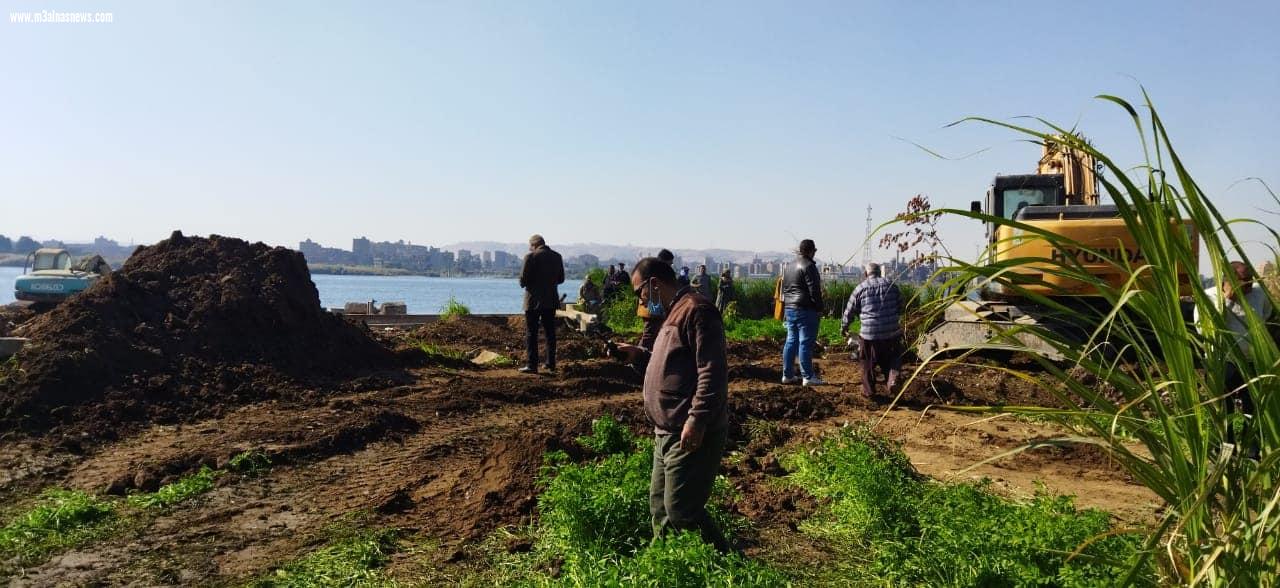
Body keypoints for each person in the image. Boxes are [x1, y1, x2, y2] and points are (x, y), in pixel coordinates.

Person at [614, 258, 730, 552]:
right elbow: (664, 361)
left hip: (686, 430)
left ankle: (732, 567)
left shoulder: (697, 310)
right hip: (665, 431)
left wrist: (697, 419)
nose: (640, 299)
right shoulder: (669, 314)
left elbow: (711, 371)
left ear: (654, 285)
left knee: (681, 511)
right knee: (660, 509)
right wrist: (636, 355)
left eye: (639, 291)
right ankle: (664, 568)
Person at [1194, 261, 1273, 455]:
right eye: (1244, 281)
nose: (1249, 285)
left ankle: (1252, 454)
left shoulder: (1259, 295)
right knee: (1222, 412)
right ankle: (1223, 453)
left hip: (1251, 363)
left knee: (1253, 410)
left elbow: (1267, 316)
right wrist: (1227, 300)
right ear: (1228, 280)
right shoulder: (1209, 297)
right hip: (1222, 364)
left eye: (1251, 280)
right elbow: (1203, 328)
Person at [841, 263, 903, 399]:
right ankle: (893, 379)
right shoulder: (891, 285)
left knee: (867, 362)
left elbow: (849, 311)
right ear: (880, 273)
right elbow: (900, 305)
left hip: (870, 334)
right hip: (892, 332)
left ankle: (869, 391)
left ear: (865, 274)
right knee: (893, 359)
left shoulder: (860, 288)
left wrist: (844, 327)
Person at [518, 234, 564, 374]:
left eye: (530, 246)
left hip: (533, 302)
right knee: (550, 333)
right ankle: (550, 364)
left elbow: (522, 281)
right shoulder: (557, 256)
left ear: (534, 245)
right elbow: (561, 279)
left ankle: (532, 365)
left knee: (532, 333)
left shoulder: (530, 257)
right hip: (550, 301)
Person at [781, 239, 825, 386]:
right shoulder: (809, 266)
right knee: (805, 342)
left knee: (791, 341)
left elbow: (785, 289)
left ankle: (787, 375)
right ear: (811, 251)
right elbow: (814, 290)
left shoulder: (789, 266)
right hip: (805, 309)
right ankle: (808, 376)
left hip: (790, 308)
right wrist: (819, 308)